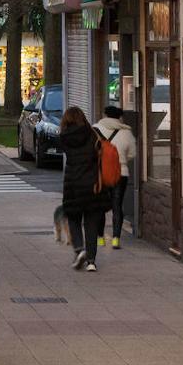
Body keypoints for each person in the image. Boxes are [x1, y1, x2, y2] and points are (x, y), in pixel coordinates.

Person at [52, 106, 111, 272]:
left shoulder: (64, 137)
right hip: (93, 184)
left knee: (74, 218)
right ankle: (91, 261)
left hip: (73, 184)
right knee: (92, 223)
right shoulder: (93, 133)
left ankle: (79, 249)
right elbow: (104, 148)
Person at [93, 105, 135, 249]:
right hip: (121, 173)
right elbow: (132, 153)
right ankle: (116, 239)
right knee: (117, 206)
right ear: (120, 117)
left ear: (105, 114)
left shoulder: (95, 129)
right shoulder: (127, 132)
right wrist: (120, 160)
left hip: (101, 173)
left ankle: (100, 238)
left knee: (100, 206)